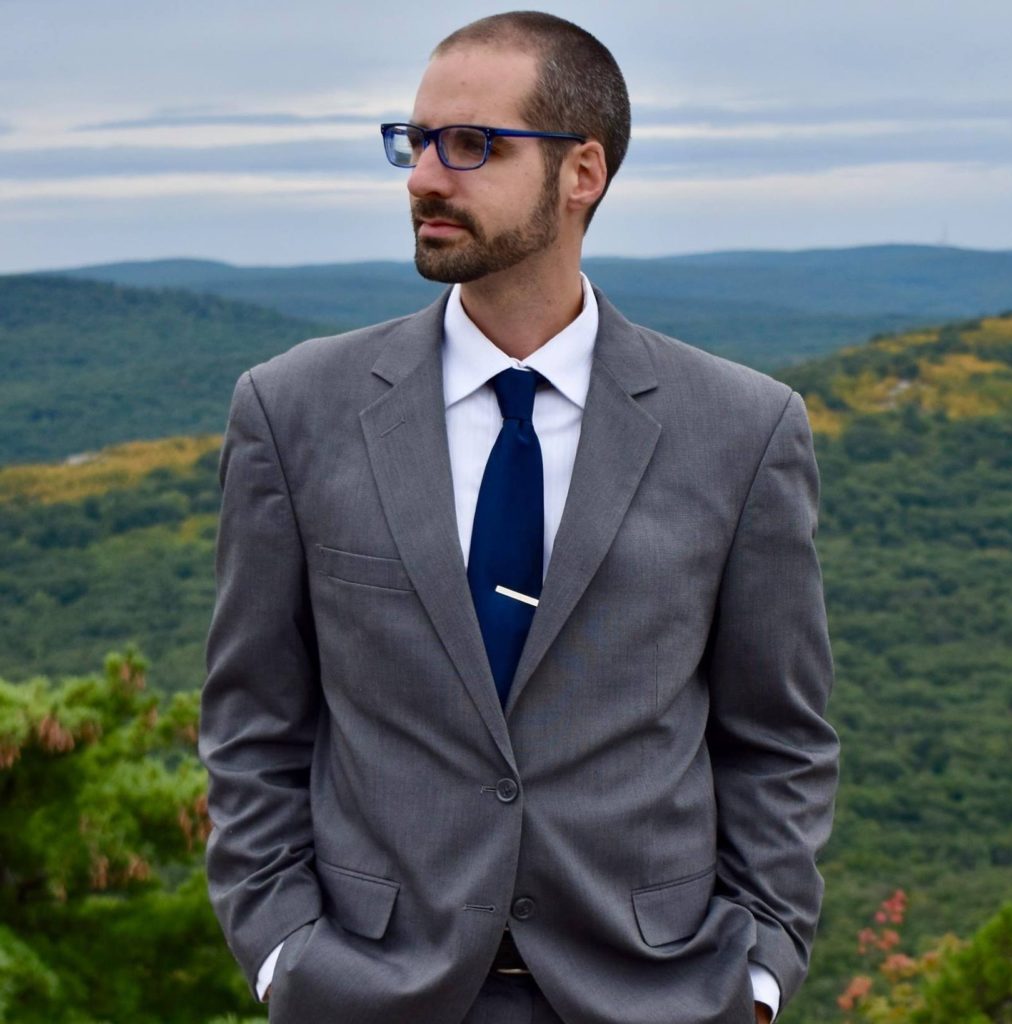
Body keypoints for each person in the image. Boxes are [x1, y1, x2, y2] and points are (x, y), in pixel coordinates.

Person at [200, 11, 838, 1024]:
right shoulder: (293, 410)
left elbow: (777, 738)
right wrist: (284, 955)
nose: (423, 177)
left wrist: (755, 977)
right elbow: (252, 724)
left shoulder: (742, 429)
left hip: (657, 993)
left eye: (472, 145)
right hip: (369, 993)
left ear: (580, 172)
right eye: (415, 142)